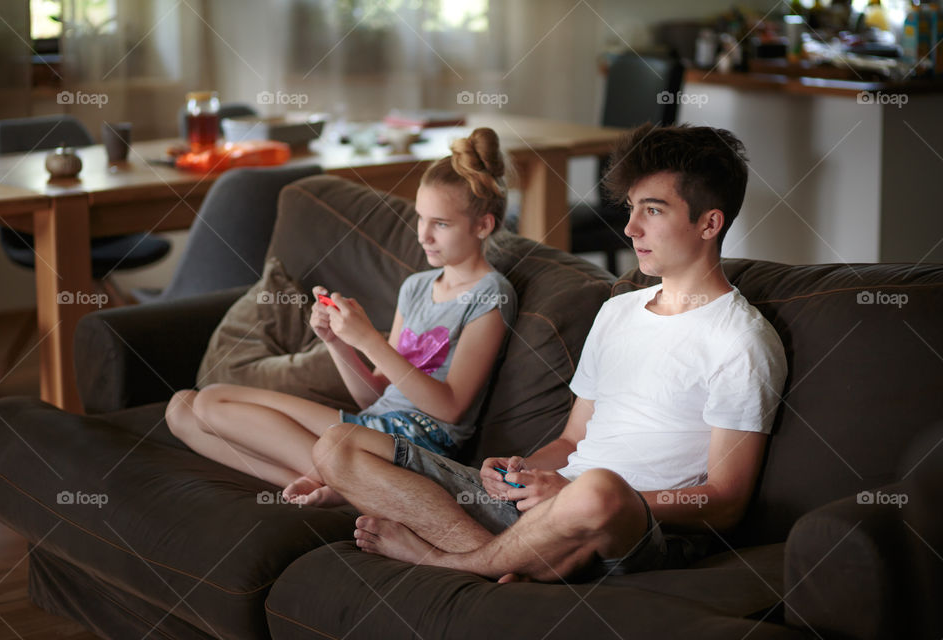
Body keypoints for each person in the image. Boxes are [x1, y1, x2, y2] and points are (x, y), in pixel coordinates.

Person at [293, 123, 788, 583]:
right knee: (339, 444)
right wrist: (521, 471)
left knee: (601, 488)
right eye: (632, 208)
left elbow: (725, 502)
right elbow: (572, 439)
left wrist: (573, 493)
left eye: (653, 211)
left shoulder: (741, 340)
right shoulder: (619, 311)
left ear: (709, 224)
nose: (631, 228)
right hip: (550, 504)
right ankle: (508, 561)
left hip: (631, 528)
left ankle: (453, 561)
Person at [165, 127, 517, 492]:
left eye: (440, 224)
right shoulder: (416, 288)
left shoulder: (490, 294)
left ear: (483, 226)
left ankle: (348, 481)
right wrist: (337, 341)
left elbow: (450, 408)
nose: (423, 235)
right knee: (182, 409)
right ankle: (324, 484)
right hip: (370, 427)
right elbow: (375, 396)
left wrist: (368, 340)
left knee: (210, 402)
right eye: (420, 218)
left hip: (418, 440)